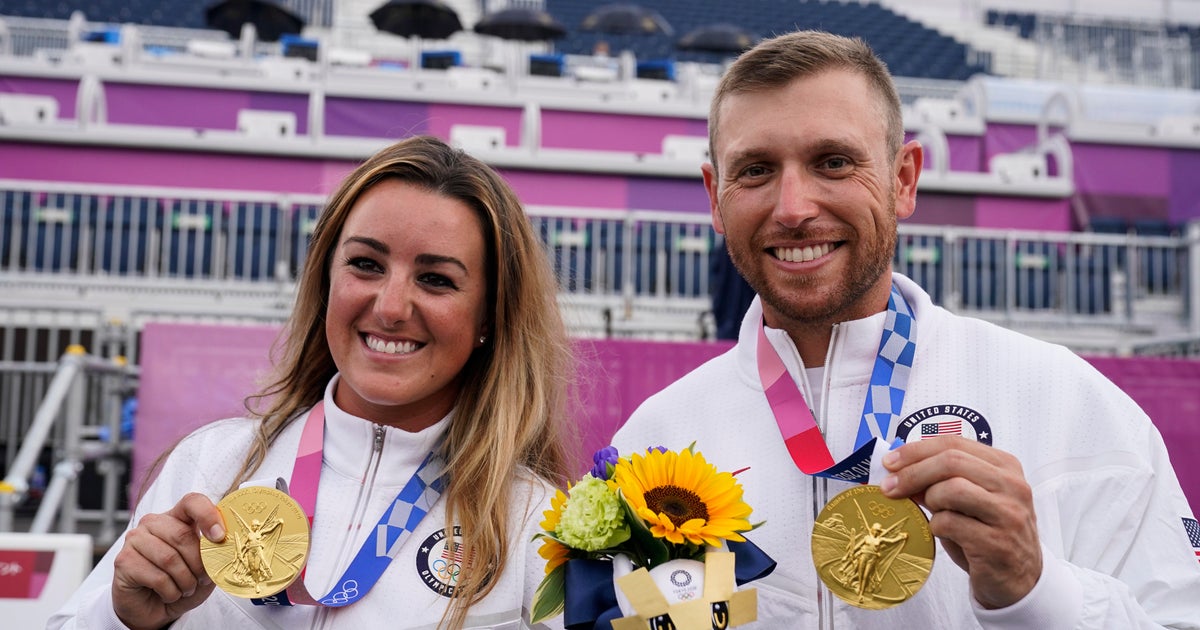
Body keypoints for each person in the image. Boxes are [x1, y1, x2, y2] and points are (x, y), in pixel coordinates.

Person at [611, 30, 1200, 628]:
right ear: (715, 198)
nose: (792, 208)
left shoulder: (1065, 400)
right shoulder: (655, 442)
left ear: (904, 180)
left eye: (833, 162)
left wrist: (1038, 589)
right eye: (757, 170)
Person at [49, 135, 575, 629]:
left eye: (436, 279)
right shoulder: (214, 464)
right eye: (365, 264)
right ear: (326, 280)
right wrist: (127, 620)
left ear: (489, 317)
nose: (390, 308)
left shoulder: (537, 521)